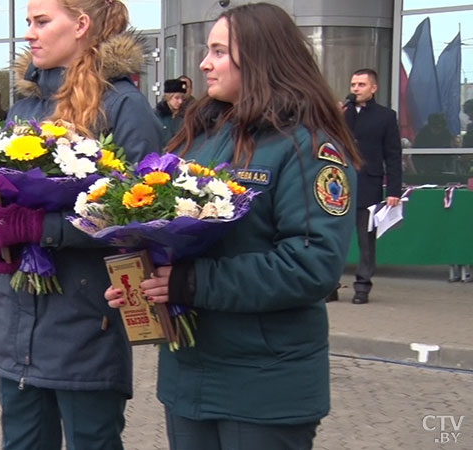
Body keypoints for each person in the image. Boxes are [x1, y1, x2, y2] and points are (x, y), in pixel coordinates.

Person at [105, 4, 360, 449]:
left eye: (219, 52)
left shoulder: (309, 147)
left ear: (263, 58)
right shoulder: (198, 136)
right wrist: (141, 278)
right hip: (189, 375)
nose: (204, 63)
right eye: (208, 51)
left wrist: (190, 283)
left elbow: (311, 265)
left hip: (264, 384)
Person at [0, 0, 163, 448]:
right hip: (15, 321)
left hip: (84, 324)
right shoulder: (25, 108)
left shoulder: (123, 107)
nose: (30, 34)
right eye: (28, 23)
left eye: (41, 22)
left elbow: (141, 218)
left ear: (80, 25)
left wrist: (45, 229)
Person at [340, 68, 402, 305]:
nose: (356, 89)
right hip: (339, 186)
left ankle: (362, 286)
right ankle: (330, 285)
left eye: (361, 85)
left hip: (369, 184)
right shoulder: (342, 113)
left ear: (373, 88)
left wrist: (394, 189)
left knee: (365, 239)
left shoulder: (385, 116)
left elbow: (393, 154)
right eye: (353, 84)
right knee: (335, 236)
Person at [155, 79, 187, 143]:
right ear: (168, 97)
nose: (180, 102)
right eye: (177, 98)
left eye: (182, 98)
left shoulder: (184, 116)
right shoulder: (156, 116)